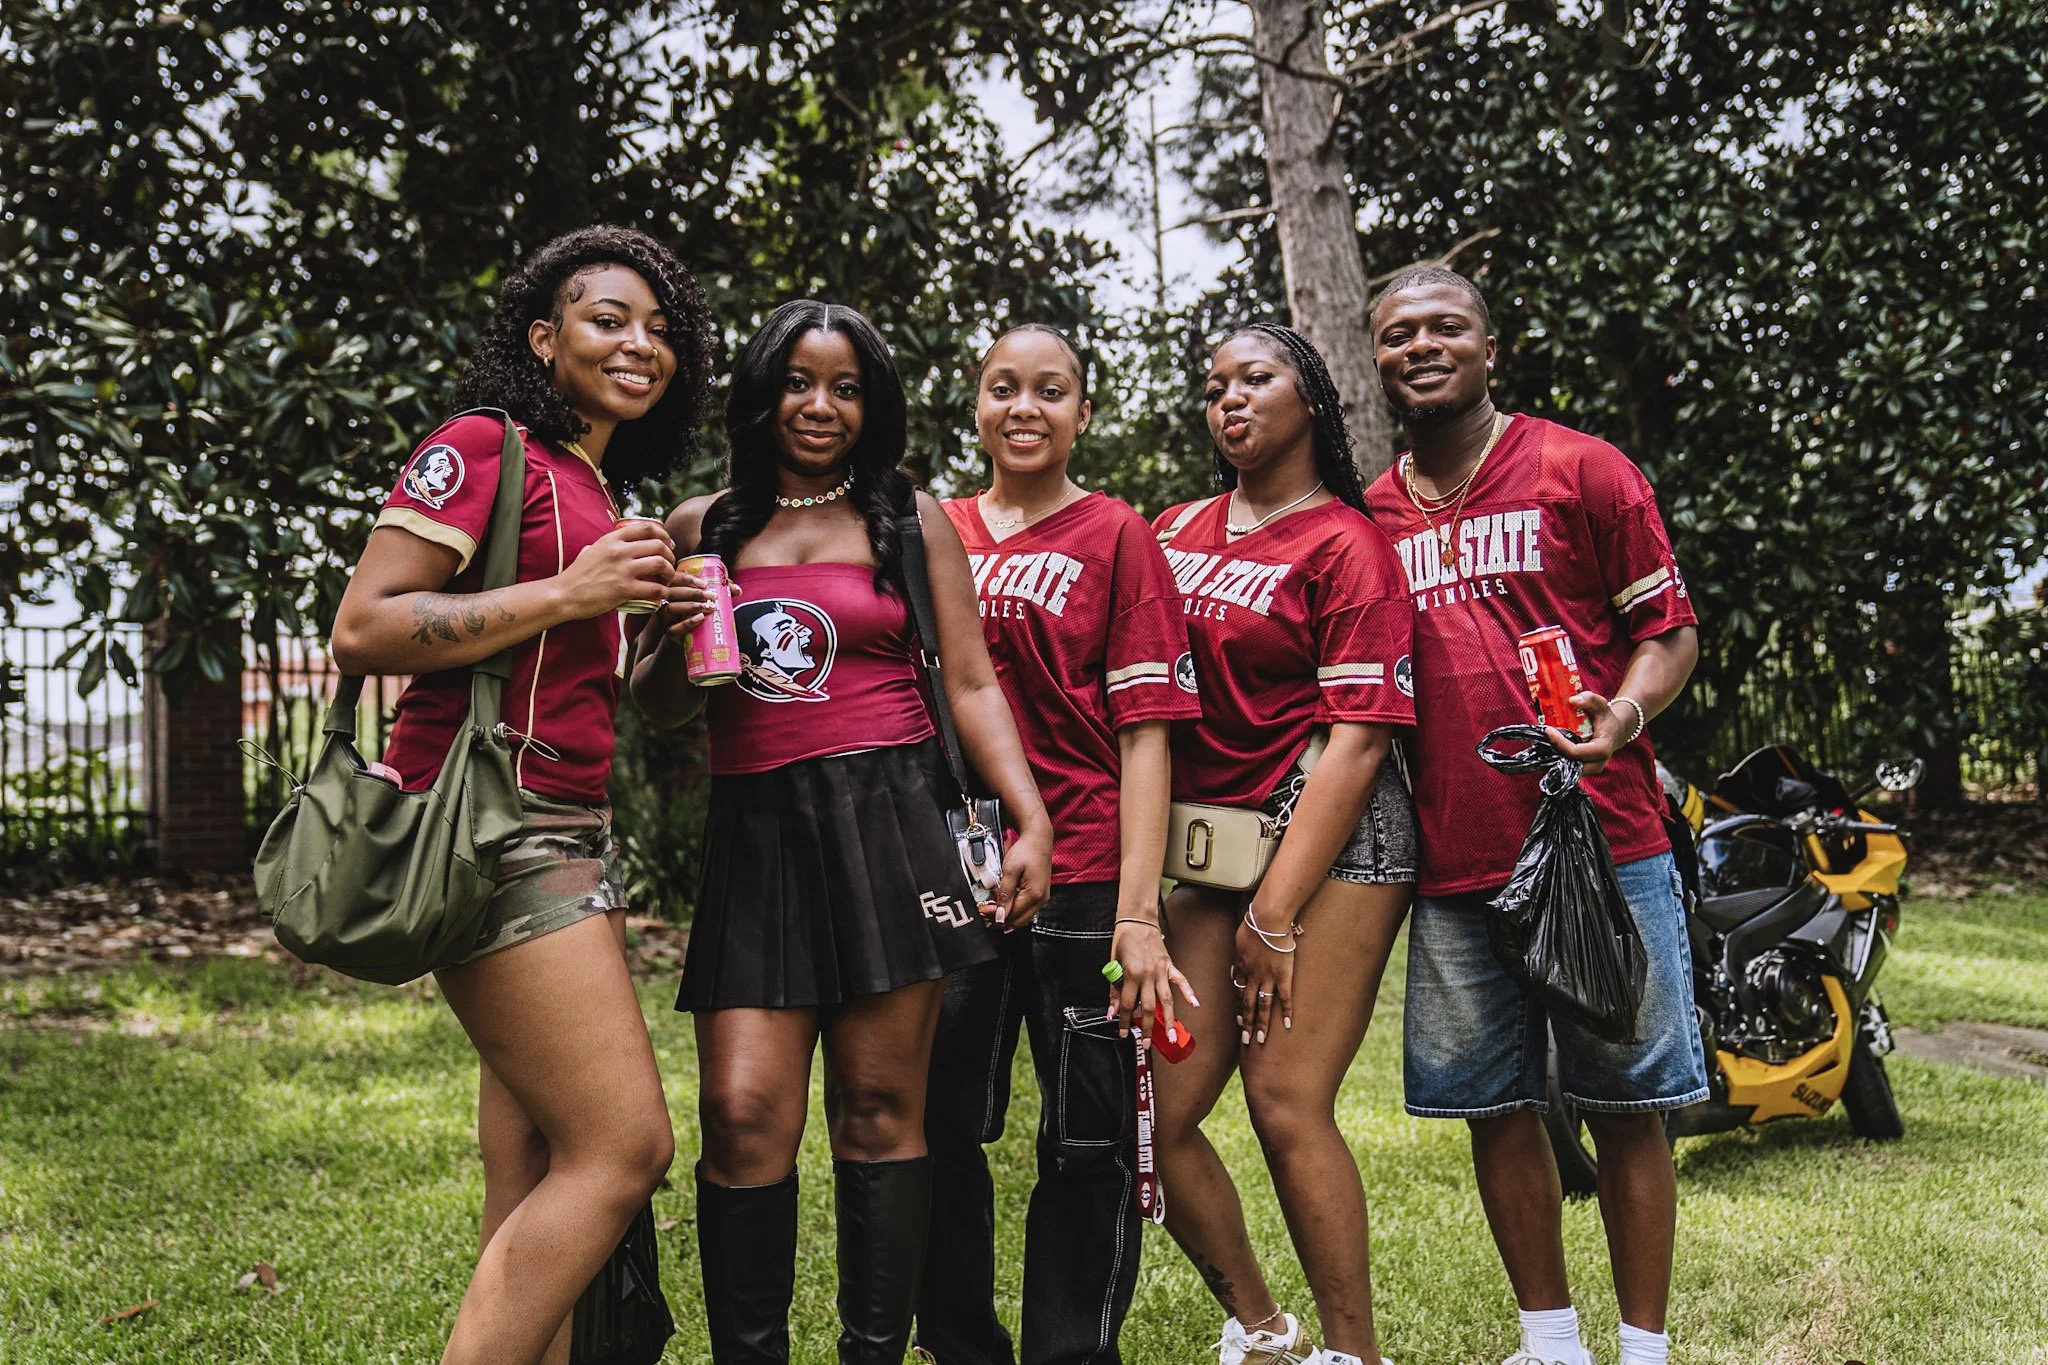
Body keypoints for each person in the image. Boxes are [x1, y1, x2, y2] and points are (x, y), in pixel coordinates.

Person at [629, 300, 1055, 1365]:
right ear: (762, 391)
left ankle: (872, 1353)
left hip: (891, 828)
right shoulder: (702, 527)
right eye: (799, 381)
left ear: (873, 406)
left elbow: (969, 682)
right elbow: (659, 707)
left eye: (846, 386)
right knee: (738, 1117)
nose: (819, 405)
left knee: (877, 1109)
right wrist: (674, 647)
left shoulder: (908, 522)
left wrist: (1030, 820)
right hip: (758, 838)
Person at [329, 225, 717, 1365]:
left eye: (661, 330)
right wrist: (568, 590)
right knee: (623, 1148)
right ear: (544, 339)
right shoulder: (482, 446)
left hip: (564, 831)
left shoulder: (594, 483)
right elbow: (365, 626)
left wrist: (657, 634)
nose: (640, 344)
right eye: (609, 319)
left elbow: (602, 686)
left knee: (539, 1164)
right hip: (496, 834)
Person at [1361, 266, 1704, 1365]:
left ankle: (1641, 1350)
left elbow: (1669, 629)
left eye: (1443, 327)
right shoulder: (1367, 513)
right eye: (1397, 332)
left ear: (1488, 346)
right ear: (1375, 358)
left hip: (1601, 843)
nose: (1420, 344)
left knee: (1623, 1099)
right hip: (1455, 857)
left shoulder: (1578, 467)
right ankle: (1548, 1343)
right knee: (1493, 1104)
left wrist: (1623, 713)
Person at [913, 325, 1201, 1365]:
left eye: (1049, 391)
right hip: (955, 877)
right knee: (936, 1129)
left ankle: (1068, 1354)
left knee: (1084, 1141)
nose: (1022, 408)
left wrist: (1137, 911)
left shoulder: (1115, 533)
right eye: (1002, 388)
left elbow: (1146, 733)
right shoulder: (929, 529)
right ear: (975, 406)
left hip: (1082, 870)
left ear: (1083, 412)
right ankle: (962, 1347)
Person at [1151, 324, 1417, 1365]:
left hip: (1334, 837)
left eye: (1253, 378)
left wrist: (1275, 919)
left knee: (1283, 1098)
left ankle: (1353, 1355)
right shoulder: (1172, 528)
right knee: (1150, 1113)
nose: (1227, 399)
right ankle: (1264, 1332)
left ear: (1308, 398)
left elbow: (1357, 744)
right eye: (1212, 384)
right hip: (1215, 845)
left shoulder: (1344, 544)